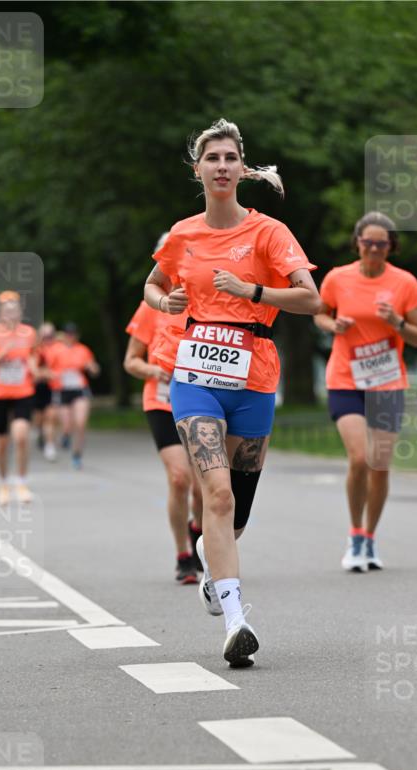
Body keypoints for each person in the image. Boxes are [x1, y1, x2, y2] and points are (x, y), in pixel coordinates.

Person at [144, 118, 321, 667]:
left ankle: (208, 553)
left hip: (254, 377)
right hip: (195, 375)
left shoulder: (268, 232)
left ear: (243, 169)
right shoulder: (183, 233)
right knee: (215, 496)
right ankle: (237, 620)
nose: (221, 166)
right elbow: (153, 283)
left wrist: (252, 290)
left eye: (229, 158)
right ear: (197, 170)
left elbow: (310, 299)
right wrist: (164, 303)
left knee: (236, 514)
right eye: (211, 158)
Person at [315, 212, 417, 571]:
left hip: (387, 382)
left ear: (390, 246)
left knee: (379, 465)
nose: (374, 250)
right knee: (360, 458)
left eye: (382, 244)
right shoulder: (337, 278)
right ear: (357, 243)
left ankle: (370, 539)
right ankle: (354, 532)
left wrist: (395, 321)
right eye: (368, 243)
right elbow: (319, 314)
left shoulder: (405, 283)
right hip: (346, 378)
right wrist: (335, 324)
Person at [125, 259, 204, 584]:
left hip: (200, 399)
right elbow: (130, 360)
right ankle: (183, 555)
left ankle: (198, 531)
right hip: (161, 400)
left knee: (203, 487)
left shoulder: (205, 302)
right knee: (179, 478)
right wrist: (151, 370)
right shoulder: (150, 306)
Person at [0, 290, 39, 504]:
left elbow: (31, 358)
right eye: (7, 310)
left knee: (22, 436)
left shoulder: (29, 333)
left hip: (23, 391)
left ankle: (22, 482)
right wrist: (2, 353)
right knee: (1, 442)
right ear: (0, 312)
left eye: (15, 310)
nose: (11, 314)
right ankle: (3, 483)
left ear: (20, 312)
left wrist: (35, 369)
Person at [46, 322, 100, 469]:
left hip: (79, 388)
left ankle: (77, 454)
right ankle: (65, 434)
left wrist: (92, 368)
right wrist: (53, 374)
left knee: (81, 423)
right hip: (62, 389)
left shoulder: (83, 350)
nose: (71, 337)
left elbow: (94, 368)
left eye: (73, 334)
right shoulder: (55, 350)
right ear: (63, 335)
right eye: (68, 334)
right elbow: (45, 370)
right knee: (67, 424)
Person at [33, 322, 59, 461]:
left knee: (51, 417)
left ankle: (50, 446)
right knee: (39, 418)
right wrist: (43, 373)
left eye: (50, 336)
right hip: (37, 387)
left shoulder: (58, 349)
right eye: (44, 336)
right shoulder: (35, 350)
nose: (48, 339)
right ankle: (40, 433)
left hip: (52, 387)